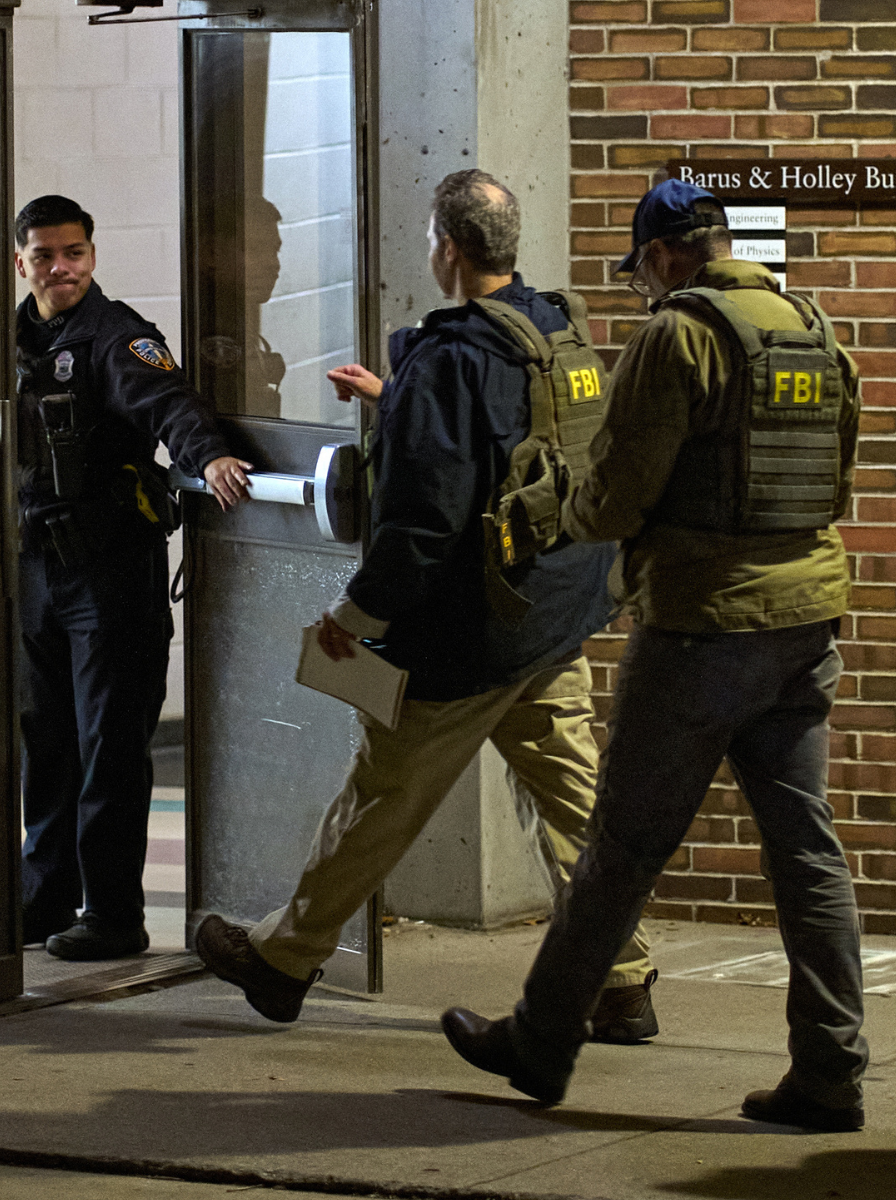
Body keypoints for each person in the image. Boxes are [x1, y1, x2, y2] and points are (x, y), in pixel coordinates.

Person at [440, 178, 869, 1131]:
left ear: (669, 255)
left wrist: (555, 507)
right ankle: (831, 1070)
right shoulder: (811, 324)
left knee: (620, 850)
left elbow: (620, 495)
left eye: (642, 269)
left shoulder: (678, 335)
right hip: (806, 623)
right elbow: (838, 473)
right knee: (807, 853)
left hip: (703, 628)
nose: (643, 286)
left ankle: (541, 1042)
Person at [190, 170, 658, 1036]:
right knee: (573, 798)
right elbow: (516, 439)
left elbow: (422, 526)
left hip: (471, 636)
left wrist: (353, 621)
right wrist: (398, 402)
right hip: (555, 612)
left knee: (381, 796)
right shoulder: (555, 327)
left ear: (446, 246)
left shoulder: (451, 358)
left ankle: (285, 960)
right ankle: (621, 981)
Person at [13, 194, 251, 961]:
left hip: (111, 574)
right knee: (46, 743)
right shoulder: (8, 340)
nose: (62, 269)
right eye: (46, 255)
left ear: (93, 255)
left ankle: (114, 914)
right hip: (38, 571)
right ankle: (45, 898)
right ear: (20, 262)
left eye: (74, 253)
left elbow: (168, 405)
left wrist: (207, 454)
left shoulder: (117, 339)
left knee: (108, 746)